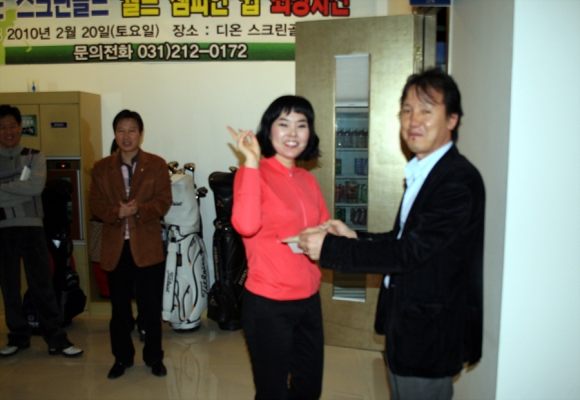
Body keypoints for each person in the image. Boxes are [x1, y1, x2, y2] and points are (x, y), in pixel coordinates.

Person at [298, 68, 485, 400]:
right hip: (409, 327)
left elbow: (407, 253)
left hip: (430, 336)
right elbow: (403, 239)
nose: (414, 120)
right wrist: (353, 237)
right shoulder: (424, 171)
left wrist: (330, 249)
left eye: (427, 110)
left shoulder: (456, 181)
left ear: (452, 119)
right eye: (407, 110)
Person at [228, 95, 330, 400]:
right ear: (268, 130)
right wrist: (251, 163)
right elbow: (246, 226)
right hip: (268, 304)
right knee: (272, 391)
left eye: (302, 125)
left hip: (309, 301)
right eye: (283, 124)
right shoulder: (253, 174)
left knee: (308, 388)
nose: (293, 133)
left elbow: (322, 228)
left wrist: (335, 231)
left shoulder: (307, 180)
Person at [89, 110, 171, 379]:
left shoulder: (156, 164)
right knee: (119, 309)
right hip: (116, 248)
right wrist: (117, 212)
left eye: (132, 130)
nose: (126, 136)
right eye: (121, 130)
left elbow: (164, 201)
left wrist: (139, 210)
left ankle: (154, 357)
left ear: (141, 134)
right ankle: (122, 358)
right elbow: (95, 204)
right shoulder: (102, 167)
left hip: (146, 247)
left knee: (150, 307)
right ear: (115, 134)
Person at [0, 104, 83, 358]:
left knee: (42, 286)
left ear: (20, 127)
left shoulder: (35, 155)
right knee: (9, 287)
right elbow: (27, 189)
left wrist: (4, 190)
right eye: (2, 128)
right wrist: (20, 188)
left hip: (33, 228)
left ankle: (57, 340)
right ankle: (18, 337)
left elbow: (35, 188)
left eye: (12, 126)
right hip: (3, 229)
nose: (8, 131)